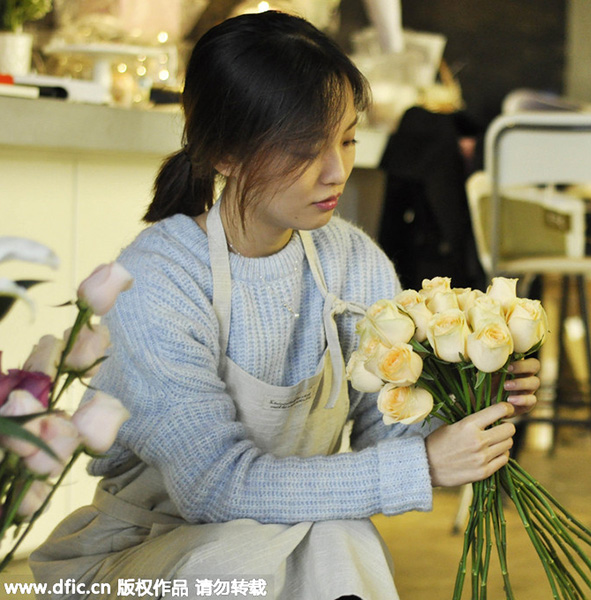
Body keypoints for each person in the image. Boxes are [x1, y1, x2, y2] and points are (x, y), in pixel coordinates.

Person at [29, 11, 540, 600]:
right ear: (224, 152)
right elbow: (213, 488)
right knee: (300, 544)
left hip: (291, 540)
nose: (336, 171)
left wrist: (472, 404)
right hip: (146, 557)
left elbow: (389, 435)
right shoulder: (159, 277)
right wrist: (423, 466)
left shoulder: (352, 262)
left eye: (348, 139)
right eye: (304, 148)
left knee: (332, 533)